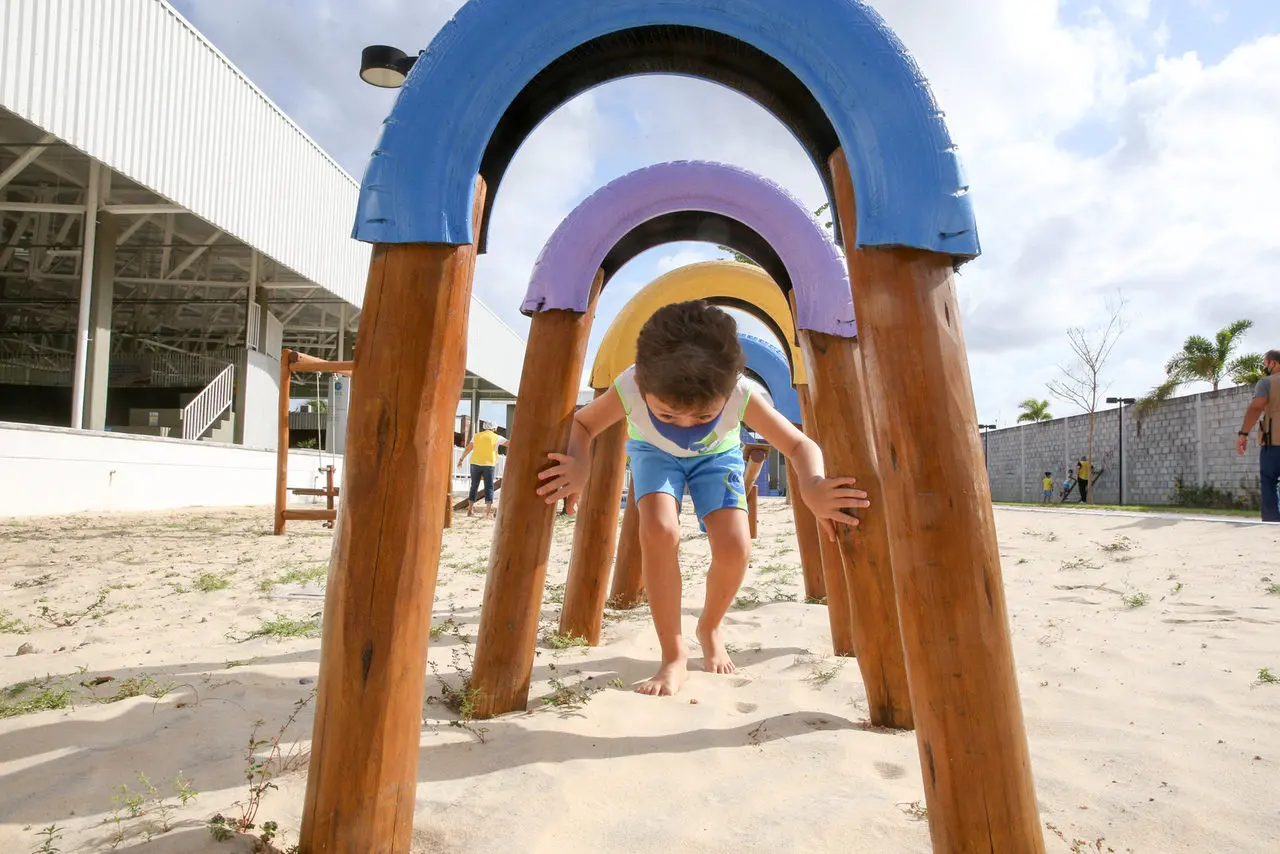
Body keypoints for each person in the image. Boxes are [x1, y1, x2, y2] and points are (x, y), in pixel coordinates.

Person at [536, 300, 869, 697]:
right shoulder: (630, 385)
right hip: (655, 456)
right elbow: (584, 422)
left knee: (735, 547)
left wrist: (812, 483)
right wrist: (578, 463)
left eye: (702, 416)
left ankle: (709, 625)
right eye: (669, 415)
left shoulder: (740, 394)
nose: (686, 425)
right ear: (643, 383)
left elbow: (798, 444)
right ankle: (673, 655)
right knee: (659, 531)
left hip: (717, 457)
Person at [1236, 349, 1280, 522]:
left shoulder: (1266, 383)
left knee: (1269, 481)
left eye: (1265, 364)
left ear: (1273, 363)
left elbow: (1256, 408)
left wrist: (1243, 434)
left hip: (1274, 442)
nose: (1265, 367)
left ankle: (1272, 521)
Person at [457, 421, 506, 519]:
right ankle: (487, 513)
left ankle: (470, 510)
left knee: (474, 486)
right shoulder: (497, 437)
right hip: (489, 464)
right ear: (494, 429)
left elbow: (468, 449)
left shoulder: (476, 436)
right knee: (489, 487)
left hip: (475, 464)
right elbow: (511, 444)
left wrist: (461, 459)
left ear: (484, 427)